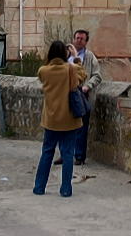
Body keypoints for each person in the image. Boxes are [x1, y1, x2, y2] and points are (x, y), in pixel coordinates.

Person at [33, 40, 85, 198]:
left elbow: (42, 79)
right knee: (68, 153)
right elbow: (83, 76)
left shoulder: (43, 71)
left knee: (47, 152)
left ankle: (39, 187)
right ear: (65, 53)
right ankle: (65, 189)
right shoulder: (70, 69)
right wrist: (76, 58)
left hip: (51, 119)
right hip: (69, 119)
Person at [65, 29, 102, 165]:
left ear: (86, 42)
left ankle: (79, 156)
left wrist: (88, 86)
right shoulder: (67, 55)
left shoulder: (89, 57)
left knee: (81, 126)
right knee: (66, 126)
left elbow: (97, 75)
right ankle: (65, 154)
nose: (79, 41)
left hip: (82, 94)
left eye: (82, 39)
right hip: (67, 93)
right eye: (77, 38)